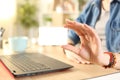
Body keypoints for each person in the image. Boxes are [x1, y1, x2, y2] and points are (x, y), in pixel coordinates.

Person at [62, 0, 120, 70]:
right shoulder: (93, 3)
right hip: (90, 61)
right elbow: (76, 28)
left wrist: (104, 59)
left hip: (112, 66)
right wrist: (69, 48)